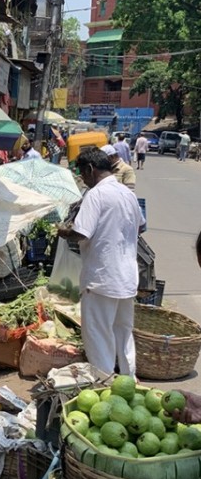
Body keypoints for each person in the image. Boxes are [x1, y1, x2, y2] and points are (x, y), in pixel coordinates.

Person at [57, 147, 144, 377]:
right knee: (123, 332)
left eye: (83, 174)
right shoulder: (127, 194)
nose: (84, 180)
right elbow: (141, 225)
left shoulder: (95, 195)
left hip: (102, 277)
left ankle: (104, 382)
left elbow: (82, 233)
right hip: (126, 277)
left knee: (98, 333)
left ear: (90, 169)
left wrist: (64, 232)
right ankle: (129, 380)